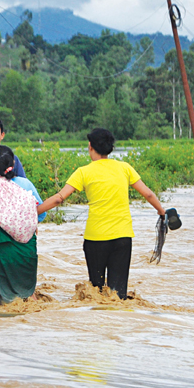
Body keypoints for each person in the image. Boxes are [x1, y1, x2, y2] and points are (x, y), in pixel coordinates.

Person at [36, 128, 167, 300]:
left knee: (96, 291)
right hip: (122, 237)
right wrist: (161, 211)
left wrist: (34, 211)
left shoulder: (84, 172)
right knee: (117, 295)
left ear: (90, 146)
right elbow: (148, 194)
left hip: (95, 239)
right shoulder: (125, 168)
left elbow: (59, 198)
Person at [0, 146, 46, 304]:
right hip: (27, 245)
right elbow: (42, 213)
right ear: (13, 163)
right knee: (28, 291)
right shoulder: (25, 183)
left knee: (3, 294)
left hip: (1, 244)